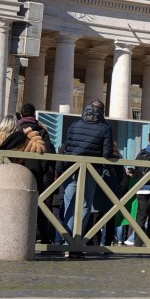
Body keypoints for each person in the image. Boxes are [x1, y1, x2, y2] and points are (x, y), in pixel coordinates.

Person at [54, 99, 118, 252]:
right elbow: (106, 153)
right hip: (91, 170)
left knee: (69, 204)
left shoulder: (75, 124)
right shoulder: (105, 127)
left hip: (71, 168)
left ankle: (65, 241)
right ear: (102, 112)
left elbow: (67, 145)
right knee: (85, 205)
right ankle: (75, 243)